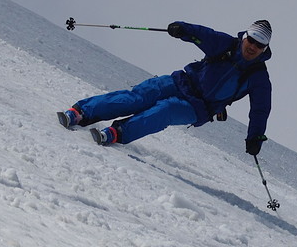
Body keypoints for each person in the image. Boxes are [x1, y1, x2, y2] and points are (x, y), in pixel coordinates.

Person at [57, 20, 273, 156]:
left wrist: (254, 137)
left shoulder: (258, 77)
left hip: (200, 107)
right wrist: (182, 29)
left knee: (165, 111)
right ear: (245, 36)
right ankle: (81, 112)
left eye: (259, 45)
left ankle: (117, 133)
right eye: (251, 41)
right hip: (182, 81)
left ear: (265, 48)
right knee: (138, 97)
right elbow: (203, 34)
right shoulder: (226, 44)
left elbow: (260, 110)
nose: (253, 47)